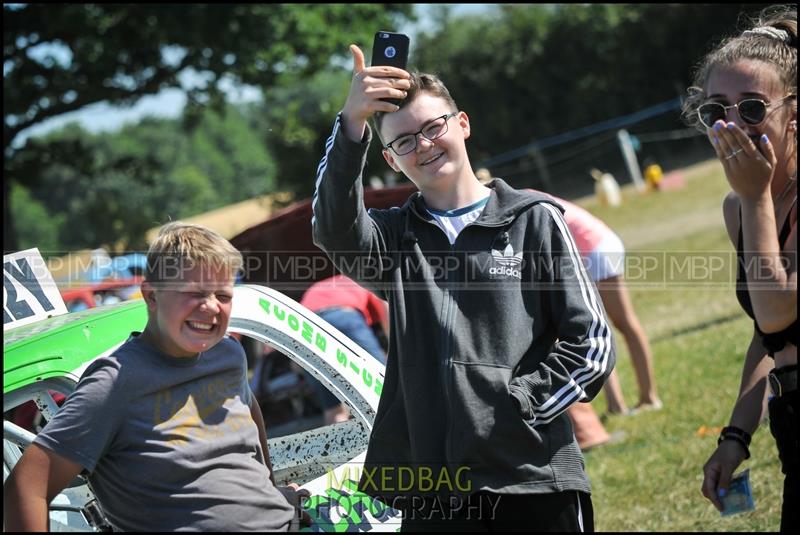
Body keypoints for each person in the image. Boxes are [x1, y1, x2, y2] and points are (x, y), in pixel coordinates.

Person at [311, 44, 615, 531]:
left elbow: (591, 343)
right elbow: (332, 228)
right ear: (390, 159)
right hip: (431, 489)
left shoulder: (533, 219)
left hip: (531, 475)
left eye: (434, 127)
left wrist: (521, 405)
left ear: (463, 124)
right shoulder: (392, 240)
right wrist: (351, 121)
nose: (425, 145)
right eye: (406, 141)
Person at [4, 222, 308, 531]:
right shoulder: (115, 382)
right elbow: (27, 487)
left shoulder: (229, 354)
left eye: (223, 295)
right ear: (151, 295)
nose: (212, 306)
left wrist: (271, 493)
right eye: (194, 292)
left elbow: (248, 413)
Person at [681, 6, 796, 531]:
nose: (731, 124)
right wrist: (736, 436)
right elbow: (768, 336)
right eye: (714, 111)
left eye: (752, 107)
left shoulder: (750, 202)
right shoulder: (742, 206)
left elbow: (777, 310)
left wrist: (754, 197)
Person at [300, 273, 389, 424]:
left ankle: (338, 446)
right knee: (383, 381)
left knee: (334, 408)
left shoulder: (320, 286)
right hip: (343, 316)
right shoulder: (364, 279)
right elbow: (387, 317)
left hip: (305, 327)